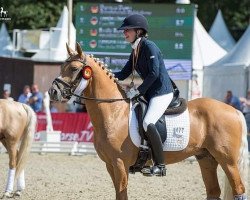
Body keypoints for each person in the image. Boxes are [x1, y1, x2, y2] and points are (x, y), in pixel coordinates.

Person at [114, 14, 174, 176]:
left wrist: (138, 91)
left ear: (139, 31)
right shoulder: (135, 51)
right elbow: (123, 73)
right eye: (124, 30)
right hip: (150, 93)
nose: (124, 33)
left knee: (148, 122)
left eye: (127, 30)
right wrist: (103, 74)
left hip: (162, 92)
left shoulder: (149, 47)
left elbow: (154, 74)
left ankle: (160, 166)